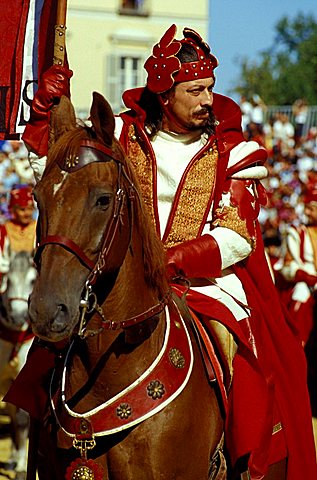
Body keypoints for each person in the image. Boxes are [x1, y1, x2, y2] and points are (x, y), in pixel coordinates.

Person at [12, 25, 317, 479]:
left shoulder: (233, 150)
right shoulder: (121, 135)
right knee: (52, 349)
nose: (207, 100)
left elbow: (237, 235)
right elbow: (63, 173)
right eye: (195, 90)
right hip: (121, 275)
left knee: (239, 353)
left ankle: (243, 460)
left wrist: (168, 260)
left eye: (210, 89)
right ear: (165, 93)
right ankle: (40, 446)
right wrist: (44, 114)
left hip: (204, 284)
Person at [276, 187, 317, 345]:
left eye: (312, 209)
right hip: (305, 283)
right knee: (301, 295)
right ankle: (296, 342)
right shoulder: (297, 232)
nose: (307, 212)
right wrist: (305, 276)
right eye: (307, 208)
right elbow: (288, 266)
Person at [0, 185, 37, 284]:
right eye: (22, 209)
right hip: (10, 280)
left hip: (33, 279)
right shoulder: (4, 229)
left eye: (30, 209)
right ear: (13, 210)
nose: (27, 213)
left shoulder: (38, 228)